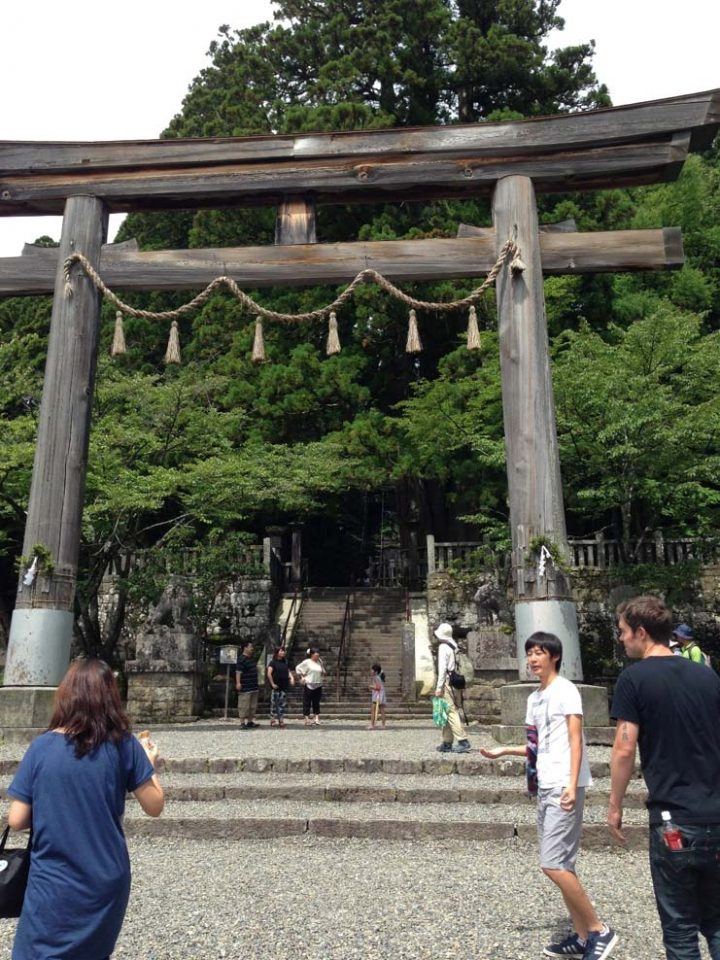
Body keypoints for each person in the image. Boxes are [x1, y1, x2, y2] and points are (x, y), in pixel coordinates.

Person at [6, 659, 164, 960]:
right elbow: (154, 806)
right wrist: (149, 763)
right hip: (106, 879)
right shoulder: (124, 744)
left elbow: (17, 819)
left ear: (66, 695)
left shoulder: (41, 747)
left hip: (53, 880)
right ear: (110, 696)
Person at [480, 632, 617, 960]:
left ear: (554, 656)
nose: (533, 659)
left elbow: (575, 740)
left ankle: (598, 930)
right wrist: (504, 751)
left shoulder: (566, 690)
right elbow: (537, 745)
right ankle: (582, 937)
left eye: (539, 652)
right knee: (563, 863)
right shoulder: (534, 698)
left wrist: (572, 784)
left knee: (552, 864)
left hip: (563, 785)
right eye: (529, 653)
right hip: (544, 783)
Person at [609, 595, 720, 960]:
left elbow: (624, 748)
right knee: (717, 923)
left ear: (641, 632)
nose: (621, 638)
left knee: (680, 928)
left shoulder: (633, 679)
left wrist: (615, 805)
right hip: (716, 814)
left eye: (623, 631)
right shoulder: (707, 675)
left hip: (674, 819)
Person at [433, 622, 471, 754]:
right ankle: (447, 741)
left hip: (447, 683)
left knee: (450, 711)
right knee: (447, 711)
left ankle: (463, 740)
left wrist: (439, 687)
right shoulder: (454, 645)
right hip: (456, 682)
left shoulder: (443, 647)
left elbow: (442, 669)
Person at [296, 647, 326, 726]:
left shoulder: (319, 661)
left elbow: (323, 671)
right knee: (307, 702)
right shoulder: (307, 662)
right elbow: (298, 668)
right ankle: (307, 719)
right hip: (309, 684)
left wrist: (323, 674)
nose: (317, 657)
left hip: (318, 684)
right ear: (312, 655)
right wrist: (302, 677)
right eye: (316, 655)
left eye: (318, 655)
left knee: (316, 702)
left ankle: (316, 718)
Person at [267, 645, 295, 727]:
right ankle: (272, 719)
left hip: (284, 685)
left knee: (282, 704)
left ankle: (281, 719)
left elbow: (288, 671)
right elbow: (269, 673)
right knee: (274, 703)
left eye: (284, 651)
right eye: (281, 651)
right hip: (276, 685)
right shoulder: (273, 662)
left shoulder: (285, 661)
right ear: (277, 652)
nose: (283, 652)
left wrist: (292, 678)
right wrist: (272, 684)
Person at [235, 641, 260, 729]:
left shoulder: (251, 658)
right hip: (245, 686)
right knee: (243, 705)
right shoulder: (241, 659)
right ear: (245, 648)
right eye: (250, 647)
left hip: (254, 685)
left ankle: (250, 721)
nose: (252, 648)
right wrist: (238, 683)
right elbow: (238, 672)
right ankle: (242, 723)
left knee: (252, 706)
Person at [368, 663, 387, 729]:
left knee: (373, 710)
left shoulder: (376, 677)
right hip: (381, 695)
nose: (371, 671)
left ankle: (372, 725)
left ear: (375, 672)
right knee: (382, 710)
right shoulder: (378, 677)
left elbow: (378, 687)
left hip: (377, 695)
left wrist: (371, 687)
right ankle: (383, 725)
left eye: (372, 670)